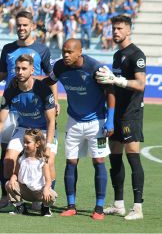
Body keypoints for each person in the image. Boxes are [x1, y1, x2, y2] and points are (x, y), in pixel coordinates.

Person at [46, 38, 115, 220]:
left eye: (70, 52)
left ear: (80, 52)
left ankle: (99, 208)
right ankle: (71, 206)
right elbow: (49, 81)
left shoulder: (95, 68)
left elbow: (111, 92)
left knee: (98, 161)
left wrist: (110, 120)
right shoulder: (60, 67)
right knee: (71, 162)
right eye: (64, 51)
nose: (66, 55)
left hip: (97, 123)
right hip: (74, 121)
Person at [0, 10, 56, 207]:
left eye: (25, 25)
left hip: (37, 105)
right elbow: (2, 74)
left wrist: (56, 101)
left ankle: (43, 195)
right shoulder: (7, 48)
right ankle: (9, 194)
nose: (21, 28)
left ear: (32, 26)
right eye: (18, 25)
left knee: (42, 158)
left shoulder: (42, 50)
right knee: (8, 157)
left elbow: (51, 76)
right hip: (14, 105)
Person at [95, 15, 146, 220]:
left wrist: (119, 80)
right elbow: (114, 85)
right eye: (114, 28)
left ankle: (138, 208)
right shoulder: (117, 55)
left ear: (128, 31)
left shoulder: (137, 54)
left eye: (119, 28)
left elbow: (141, 84)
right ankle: (118, 204)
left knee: (133, 157)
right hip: (116, 113)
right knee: (115, 157)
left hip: (131, 114)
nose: (115, 32)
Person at [6, 129, 58, 216]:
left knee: (52, 195)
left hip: (39, 192)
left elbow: (48, 180)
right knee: (8, 184)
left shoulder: (43, 160)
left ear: (37, 144)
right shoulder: (21, 157)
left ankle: (45, 208)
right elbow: (15, 173)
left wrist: (45, 189)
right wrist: (13, 179)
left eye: (28, 142)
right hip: (24, 190)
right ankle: (20, 207)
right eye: (24, 142)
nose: (25, 145)